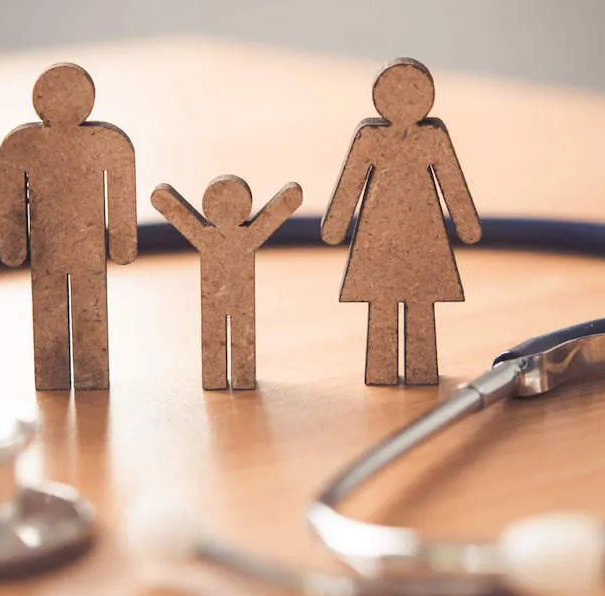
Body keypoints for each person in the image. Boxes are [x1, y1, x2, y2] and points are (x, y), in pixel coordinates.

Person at [320, 58, 481, 385]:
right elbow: (351, 180)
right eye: (396, 93)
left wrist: (467, 224)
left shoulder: (432, 138)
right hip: (377, 234)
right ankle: (381, 371)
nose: (404, 102)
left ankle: (421, 371)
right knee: (381, 301)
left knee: (421, 299)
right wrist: (335, 225)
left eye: (413, 93)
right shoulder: (370, 138)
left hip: (424, 233)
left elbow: (451, 182)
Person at [0, 63, 137, 390]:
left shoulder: (106, 143)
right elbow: (11, 198)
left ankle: (86, 372)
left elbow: (120, 191)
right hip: (49, 249)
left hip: (85, 249)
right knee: (51, 311)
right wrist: (14, 245)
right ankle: (58, 372)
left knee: (88, 309)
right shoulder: (22, 146)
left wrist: (122, 243)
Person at [151, 176, 303, 389]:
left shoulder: (220, 236)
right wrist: (290, 198)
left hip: (233, 299)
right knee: (224, 336)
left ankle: (233, 378)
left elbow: (176, 212)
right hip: (221, 298)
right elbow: (276, 213)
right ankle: (227, 378)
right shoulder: (229, 236)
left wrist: (162, 199)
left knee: (237, 336)